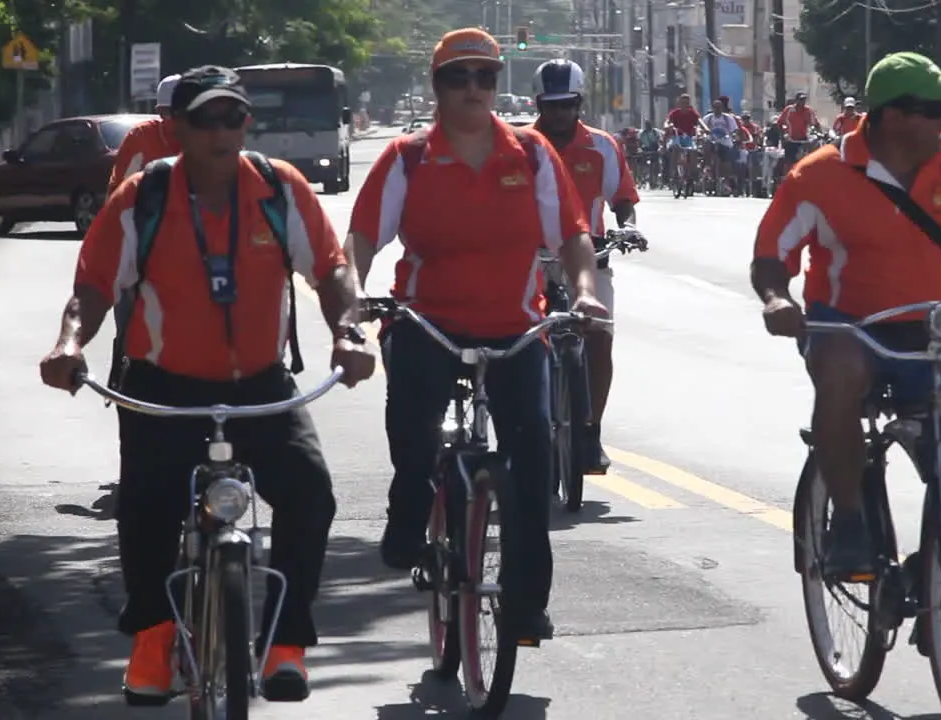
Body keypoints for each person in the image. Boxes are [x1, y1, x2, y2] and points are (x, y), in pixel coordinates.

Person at [38, 65, 377, 704]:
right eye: (206, 119)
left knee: (310, 492)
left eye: (234, 117)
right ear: (178, 128)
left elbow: (332, 271)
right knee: (146, 504)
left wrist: (349, 332)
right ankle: (153, 638)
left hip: (261, 385)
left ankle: (285, 641)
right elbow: (92, 288)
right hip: (164, 387)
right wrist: (69, 344)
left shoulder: (281, 191)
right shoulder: (143, 197)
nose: (223, 131)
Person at [750, 52, 941, 579]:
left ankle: (932, 567)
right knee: (841, 376)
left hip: (929, 325)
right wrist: (778, 299)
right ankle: (849, 520)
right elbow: (770, 254)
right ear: (893, 116)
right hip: (847, 323)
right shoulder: (820, 176)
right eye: (936, 107)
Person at [345, 29, 607, 643]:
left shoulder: (533, 153)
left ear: (498, 85)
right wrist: (351, 293)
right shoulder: (407, 157)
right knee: (412, 427)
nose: (472, 89)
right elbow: (359, 238)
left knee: (533, 465)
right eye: (457, 77)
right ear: (436, 85)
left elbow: (572, 236)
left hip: (516, 329)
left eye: (484, 77)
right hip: (428, 323)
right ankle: (409, 504)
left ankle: (525, 605)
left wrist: (586, 291)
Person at [532, 58, 640, 474]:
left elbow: (623, 200)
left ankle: (590, 432)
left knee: (599, 336)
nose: (558, 114)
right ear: (539, 103)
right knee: (517, 339)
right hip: (532, 257)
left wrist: (628, 228)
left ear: (579, 102)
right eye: (550, 105)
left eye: (566, 104)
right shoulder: (521, 145)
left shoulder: (602, 145)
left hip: (590, 256)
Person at [107, 73, 183, 195]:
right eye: (170, 112)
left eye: (183, 112)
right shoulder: (141, 136)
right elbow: (119, 187)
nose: (177, 119)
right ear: (160, 112)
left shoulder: (203, 136)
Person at [664, 93, 706, 185]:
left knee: (694, 150)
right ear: (679, 103)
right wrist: (667, 126)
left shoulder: (692, 113)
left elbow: (700, 121)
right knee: (675, 148)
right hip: (677, 137)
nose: (684, 105)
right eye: (682, 102)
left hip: (688, 137)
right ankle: (675, 173)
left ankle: (692, 172)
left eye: (686, 103)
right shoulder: (674, 113)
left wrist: (705, 128)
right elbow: (667, 122)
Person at [776, 91, 822, 174]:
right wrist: (782, 136)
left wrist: (819, 133)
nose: (802, 102)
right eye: (801, 100)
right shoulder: (789, 110)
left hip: (803, 140)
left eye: (804, 100)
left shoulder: (808, 111)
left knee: (806, 160)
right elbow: (779, 123)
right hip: (791, 140)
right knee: (789, 162)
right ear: (796, 100)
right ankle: (787, 179)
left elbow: (816, 124)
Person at [702, 98, 740, 186]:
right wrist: (702, 135)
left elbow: (734, 130)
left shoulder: (728, 118)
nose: (717, 109)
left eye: (719, 107)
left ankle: (726, 180)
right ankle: (707, 166)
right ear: (712, 108)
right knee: (707, 145)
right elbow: (701, 129)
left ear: (722, 108)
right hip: (712, 140)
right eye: (715, 107)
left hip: (725, 141)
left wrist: (734, 136)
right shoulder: (708, 118)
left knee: (727, 161)